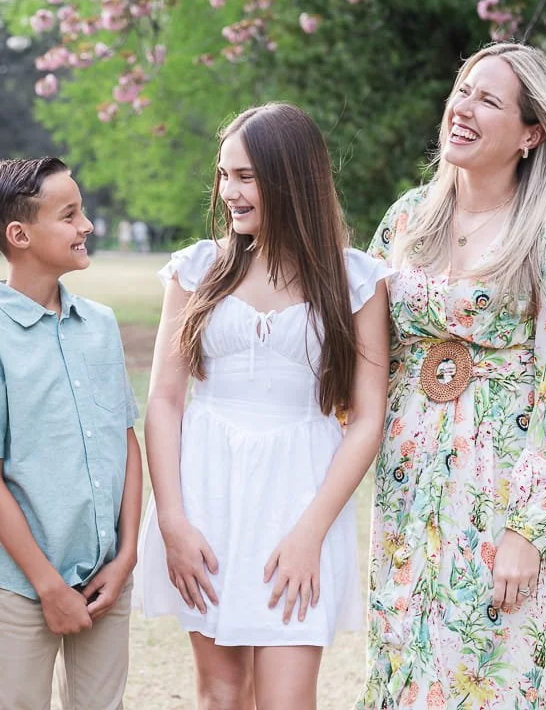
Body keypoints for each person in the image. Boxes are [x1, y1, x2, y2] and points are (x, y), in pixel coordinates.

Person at [358, 42, 546, 710]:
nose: (462, 108)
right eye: (463, 90)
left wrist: (529, 532)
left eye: (488, 99)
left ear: (531, 132)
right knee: (408, 675)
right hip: (409, 498)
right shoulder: (408, 218)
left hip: (501, 502)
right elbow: (358, 353)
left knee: (499, 682)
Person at [137, 103, 392, 709]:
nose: (229, 191)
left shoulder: (355, 280)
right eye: (224, 175)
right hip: (206, 493)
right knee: (222, 694)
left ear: (291, 177)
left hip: (299, 497)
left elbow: (368, 417)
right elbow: (166, 399)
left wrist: (310, 532)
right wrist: (172, 520)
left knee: (286, 700)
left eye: (246, 176)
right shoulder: (200, 270)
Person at [0, 157, 143, 710]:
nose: (87, 226)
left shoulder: (100, 325)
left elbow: (126, 442)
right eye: (70, 215)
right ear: (20, 234)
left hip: (106, 574)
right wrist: (49, 588)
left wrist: (125, 557)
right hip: (18, 583)